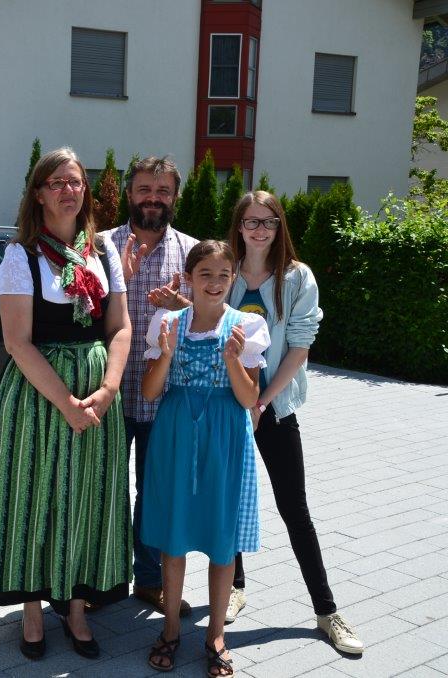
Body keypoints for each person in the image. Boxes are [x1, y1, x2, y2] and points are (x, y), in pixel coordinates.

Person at [0, 148, 132, 661]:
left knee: (88, 495)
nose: (69, 190)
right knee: (32, 495)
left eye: (76, 181)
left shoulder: (103, 252)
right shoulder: (21, 256)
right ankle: (33, 609)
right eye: (57, 182)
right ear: (39, 194)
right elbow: (17, 343)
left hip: (97, 395)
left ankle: (76, 605)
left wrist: (108, 390)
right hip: (39, 398)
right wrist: (66, 403)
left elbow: (120, 327)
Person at [224, 191, 364, 654]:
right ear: (239, 226)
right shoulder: (227, 271)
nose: (259, 230)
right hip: (228, 406)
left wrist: (262, 401)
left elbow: (300, 348)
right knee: (230, 499)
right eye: (251, 221)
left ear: (279, 226)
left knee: (294, 509)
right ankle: (235, 586)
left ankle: (327, 611)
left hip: (274, 408)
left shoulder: (297, 277)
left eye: (269, 221)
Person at [140, 240, 269, 676]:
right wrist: (166, 355)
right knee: (173, 535)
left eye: (223, 275)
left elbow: (249, 398)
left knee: (221, 536)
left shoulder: (246, 326)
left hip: (225, 433)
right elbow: (150, 392)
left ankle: (215, 634)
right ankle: (171, 627)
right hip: (176, 431)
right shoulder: (167, 322)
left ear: (233, 279)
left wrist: (233, 361)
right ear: (189, 279)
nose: (214, 283)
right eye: (205, 274)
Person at [106, 156, 198, 616]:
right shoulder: (102, 246)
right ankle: (100, 579)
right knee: (103, 490)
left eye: (163, 191)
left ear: (175, 197)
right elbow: (81, 315)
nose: (153, 199)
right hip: (106, 394)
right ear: (130, 193)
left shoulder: (193, 252)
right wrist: (117, 280)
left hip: (165, 400)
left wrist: (186, 309)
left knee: (155, 493)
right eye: (145, 189)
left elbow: (211, 325)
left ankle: (147, 579)